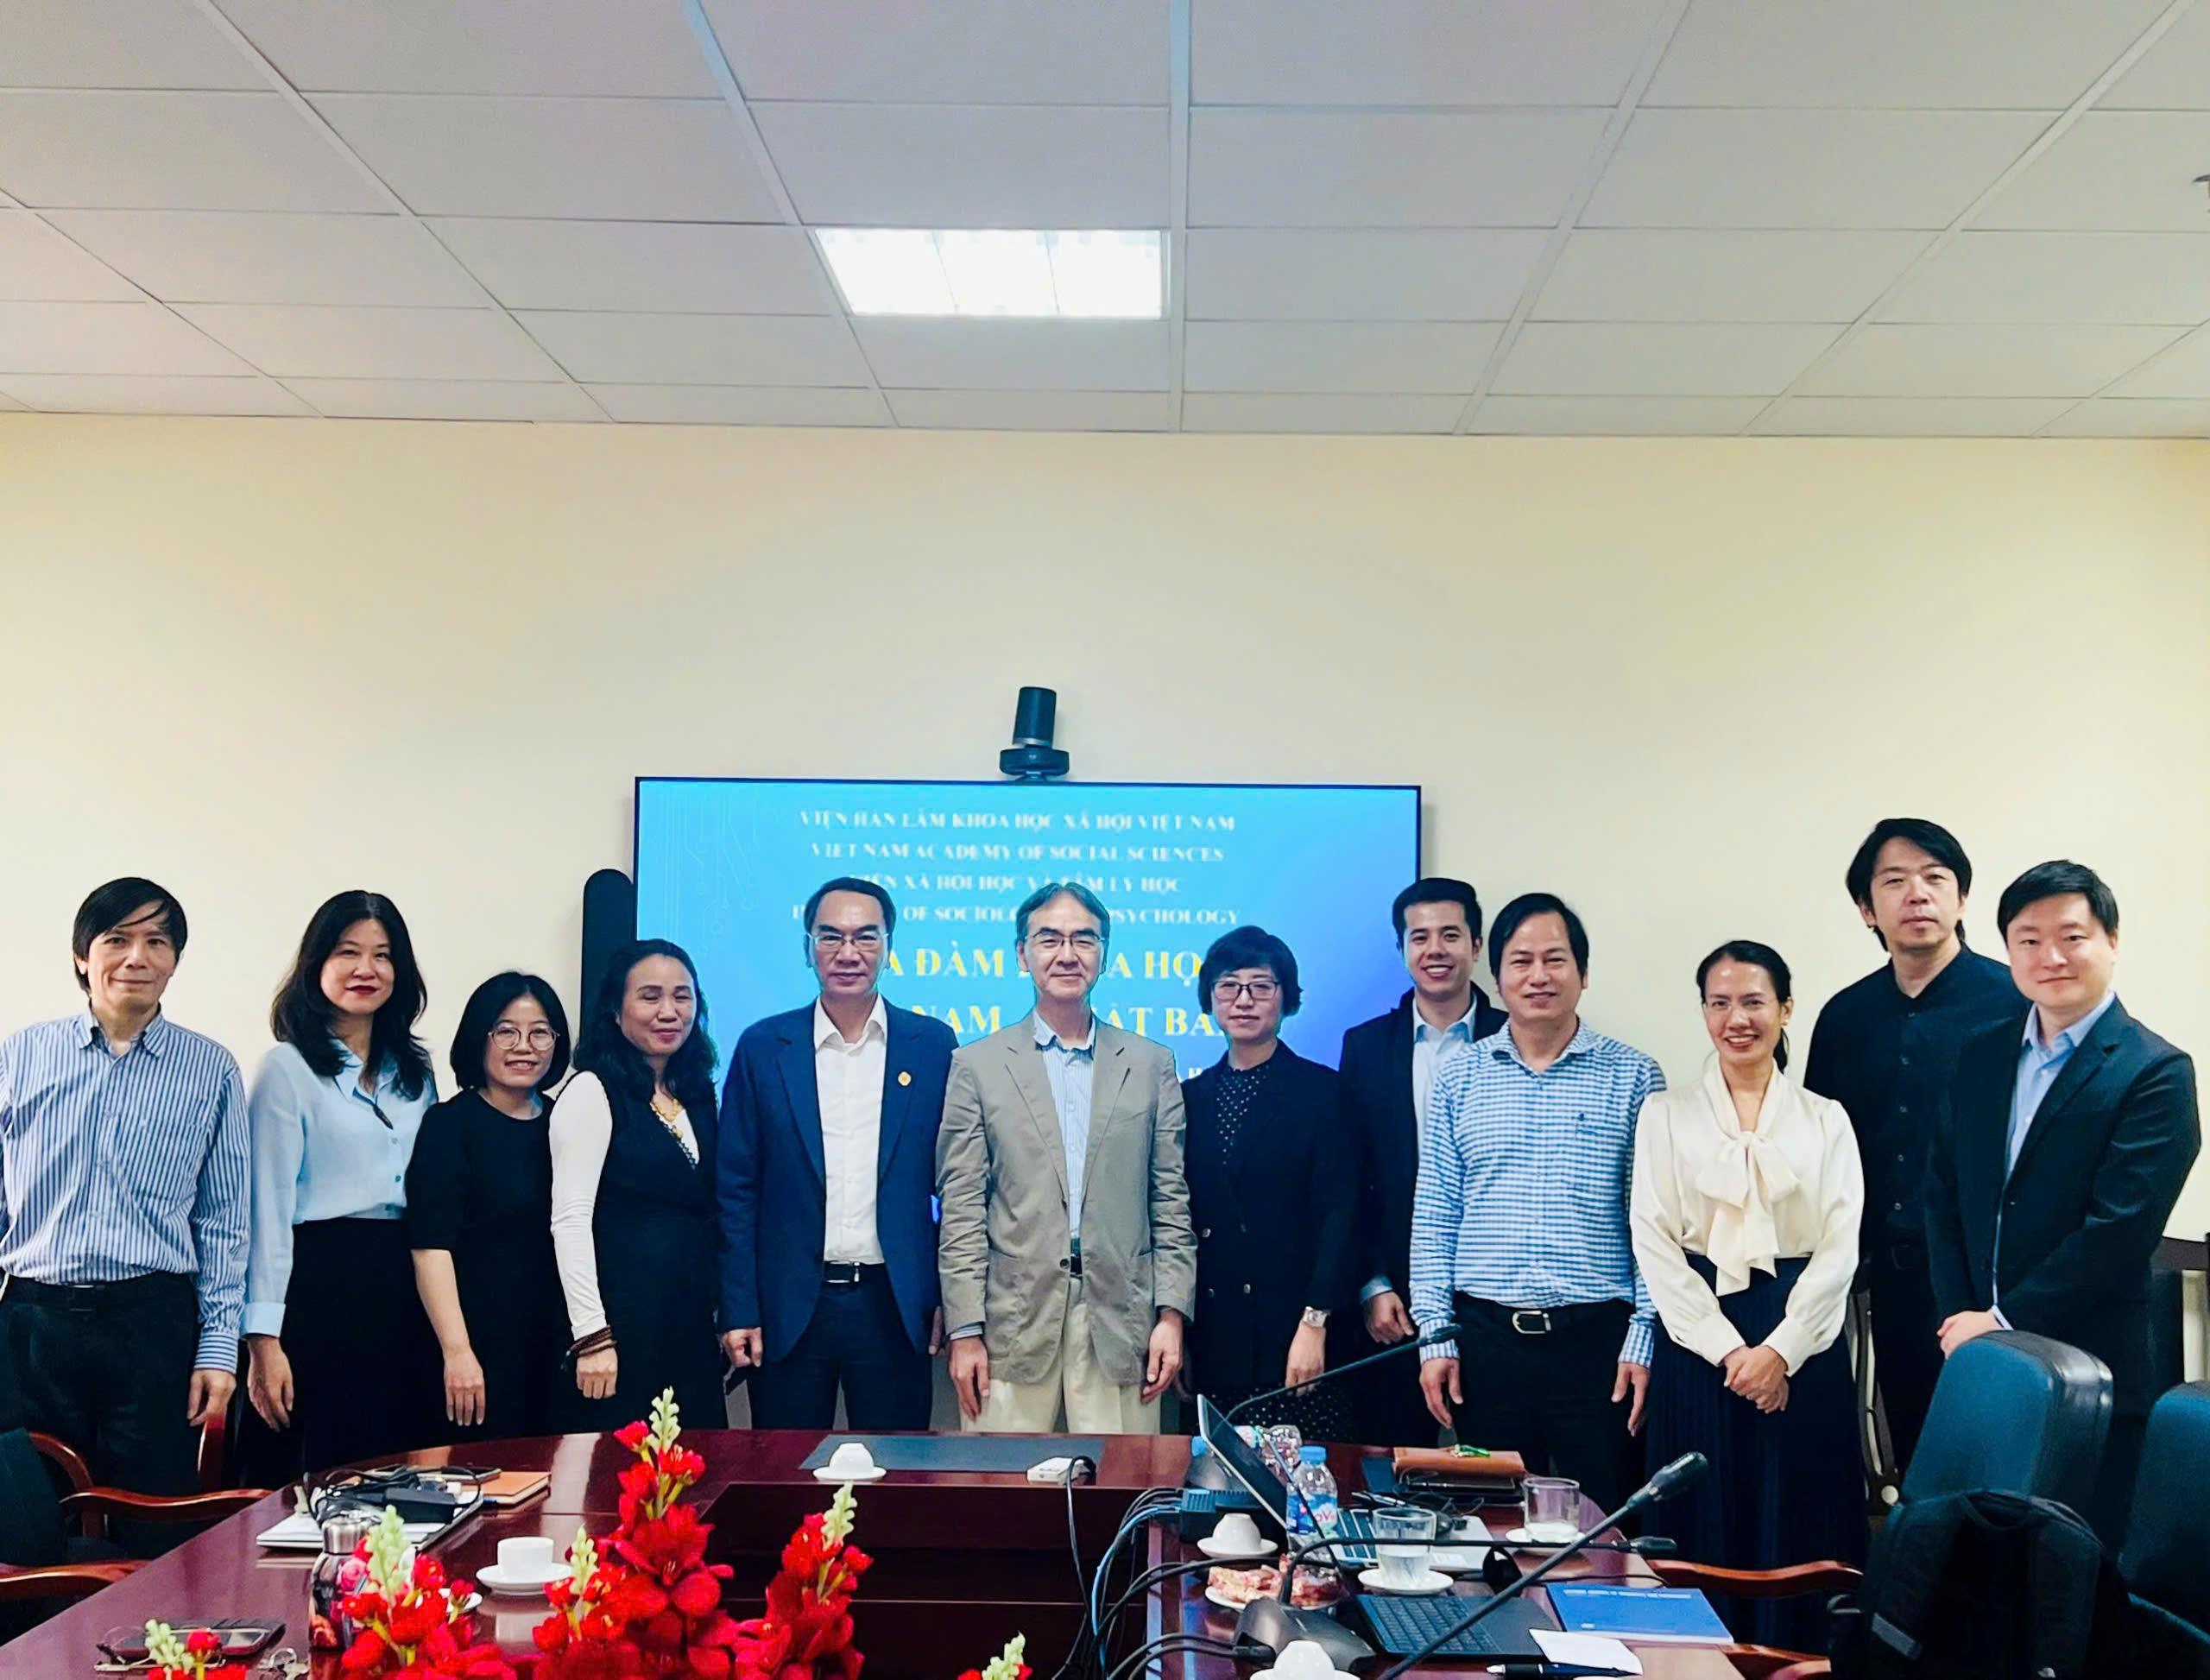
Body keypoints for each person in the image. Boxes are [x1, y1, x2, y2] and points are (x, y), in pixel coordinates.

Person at [1924, 861, 2200, 1544]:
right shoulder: (1981, 1054)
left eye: (2072, 937)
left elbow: (2120, 1233)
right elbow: (1943, 1193)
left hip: (2091, 1376)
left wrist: (2000, 1320)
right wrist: (1962, 1319)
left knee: (2074, 1570)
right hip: (1980, 1365)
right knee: (1974, 1562)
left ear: (2111, 941)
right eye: (2028, 939)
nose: (2050, 957)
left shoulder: (2154, 1071)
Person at [1632, 941, 1866, 1648]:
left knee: (1801, 1515)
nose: (1737, 1019)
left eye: (1754, 1001)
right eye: (1720, 1003)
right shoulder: (1664, 1114)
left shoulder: (1827, 1118)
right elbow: (1654, 1242)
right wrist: (1731, 1351)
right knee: (1701, 1518)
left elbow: (1840, 1248)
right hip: (1698, 1342)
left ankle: (1801, 1660)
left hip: (1804, 1338)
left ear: (1785, 1009)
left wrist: (1780, 1352)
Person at [0, 879, 248, 1536]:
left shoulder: (211, 1070)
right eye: (117, 939)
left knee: (153, 1522)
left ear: (175, 961)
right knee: (31, 1524)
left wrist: (218, 1349)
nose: (137, 957)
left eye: (157, 941)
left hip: (152, 1323)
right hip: (33, 1323)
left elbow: (224, 1222)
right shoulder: (19, 1056)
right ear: (83, 956)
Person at [1412, 893, 1661, 1512]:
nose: (1539, 976)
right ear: (1497, 977)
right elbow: (1436, 1214)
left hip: (1597, 1344)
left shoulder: (1634, 1076)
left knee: (1604, 1526)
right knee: (1490, 1525)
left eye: (1555, 959)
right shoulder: (1460, 1076)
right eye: (1521, 961)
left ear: (1584, 972)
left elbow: (1655, 1224)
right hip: (1485, 1344)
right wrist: (1435, 1338)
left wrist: (1643, 1335)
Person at [937, 881, 1197, 1433]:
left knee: (1123, 1482)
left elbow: (1170, 1202)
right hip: (1011, 1322)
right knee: (1001, 1483)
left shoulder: (1150, 1064)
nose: (1067, 953)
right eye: (1049, 938)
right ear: (1022, 954)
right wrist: (965, 1330)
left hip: (1122, 1321)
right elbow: (962, 1210)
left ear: (1104, 953)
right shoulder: (977, 1066)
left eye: (1084, 939)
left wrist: (1171, 1315)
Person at [1803, 818, 2017, 1472]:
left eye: (1935, 878)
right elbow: (1820, 1147)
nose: (1917, 894)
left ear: (1962, 898)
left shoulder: (2015, 1000)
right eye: (1894, 881)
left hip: (1994, 1277)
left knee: (2003, 1457)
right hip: (1894, 1276)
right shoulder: (1845, 1017)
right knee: (1917, 1451)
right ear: (1867, 909)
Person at [718, 878, 956, 1431]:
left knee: (897, 1469)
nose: (848, 953)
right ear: (808, 947)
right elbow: (735, 1189)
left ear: (889, 946)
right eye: (831, 936)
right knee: (787, 1469)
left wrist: (952, 1298)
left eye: (865, 937)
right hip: (789, 1307)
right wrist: (739, 1307)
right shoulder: (763, 1047)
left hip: (894, 1305)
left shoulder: (932, 1046)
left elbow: (958, 1184)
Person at [242, 892, 440, 1484]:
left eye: (382, 955)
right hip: (320, 1285)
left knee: (399, 1469)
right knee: (321, 1473)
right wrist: (263, 1339)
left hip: (403, 1283)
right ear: (317, 964)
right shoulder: (286, 1068)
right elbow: (267, 1211)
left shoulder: (416, 1072)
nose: (365, 969)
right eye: (348, 952)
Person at [1338, 877, 1508, 1446]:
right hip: (1394, 1306)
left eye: (1450, 935)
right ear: (1402, 949)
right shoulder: (1364, 1046)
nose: (1435, 950)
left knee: (1494, 1467)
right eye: (1420, 937)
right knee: (1392, 1465)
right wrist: (1371, 1283)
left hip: (1493, 1304)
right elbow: (1351, 1180)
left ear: (1476, 946)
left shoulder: (1515, 1037)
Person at [1182, 926, 1355, 1435]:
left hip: (1296, 1333)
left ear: (1286, 998)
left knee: (1301, 1476)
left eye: (1261, 986)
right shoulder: (1190, 1098)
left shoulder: (1323, 1092)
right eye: (1228, 986)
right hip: (1216, 1338)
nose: (1244, 1000)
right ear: (1210, 998)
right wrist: (1183, 1332)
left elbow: (1340, 1214)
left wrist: (1315, 1321)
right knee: (1214, 1478)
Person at [551, 938, 723, 1429]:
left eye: (682, 996)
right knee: (621, 1470)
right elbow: (570, 1221)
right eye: (650, 996)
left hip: (688, 1326)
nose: (669, 1012)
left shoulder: (696, 1093)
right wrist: (592, 1337)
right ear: (615, 1008)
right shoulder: (591, 1090)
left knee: (695, 1469)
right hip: (620, 1330)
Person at [406, 973, 571, 1440]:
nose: (525, 1047)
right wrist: (457, 1352)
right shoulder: (449, 1125)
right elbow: (430, 1247)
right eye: (506, 1032)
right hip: (474, 1344)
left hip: (553, 1344)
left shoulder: (566, 1122)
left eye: (540, 1033)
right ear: (479, 1038)